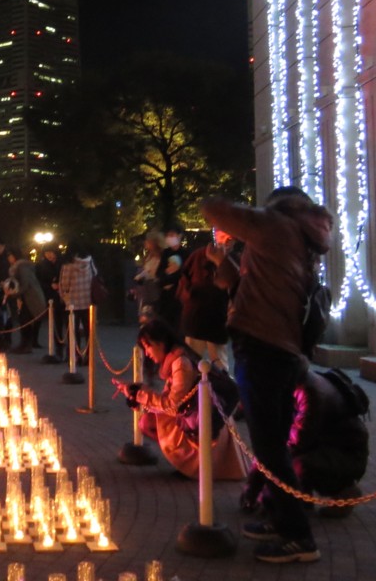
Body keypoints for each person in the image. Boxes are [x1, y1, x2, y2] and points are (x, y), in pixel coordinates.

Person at [200, 186, 333, 563]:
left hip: (262, 349)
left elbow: (214, 207)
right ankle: (280, 517)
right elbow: (239, 288)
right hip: (280, 351)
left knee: (270, 447)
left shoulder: (276, 226)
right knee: (271, 443)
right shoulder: (296, 240)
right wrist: (221, 262)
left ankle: (298, 537)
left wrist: (240, 217)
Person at [112, 319, 246, 480]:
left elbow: (172, 405)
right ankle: (188, 464)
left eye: (148, 346)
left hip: (203, 421)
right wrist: (136, 393)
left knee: (151, 422)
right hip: (196, 416)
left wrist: (140, 394)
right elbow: (170, 401)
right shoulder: (174, 359)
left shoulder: (180, 363)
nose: (146, 353)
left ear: (160, 343)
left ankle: (193, 464)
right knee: (148, 421)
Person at [241, 363, 369, 518]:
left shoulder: (310, 393)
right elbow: (274, 439)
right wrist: (252, 486)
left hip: (346, 454)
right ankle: (300, 500)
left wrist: (266, 496)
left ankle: (343, 490)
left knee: (298, 464)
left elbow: (293, 444)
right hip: (323, 446)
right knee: (287, 454)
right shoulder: (295, 383)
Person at [176, 229, 232, 372]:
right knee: (192, 365)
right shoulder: (199, 256)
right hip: (197, 317)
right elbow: (184, 280)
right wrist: (189, 295)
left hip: (217, 319)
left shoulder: (232, 260)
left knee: (220, 367)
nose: (226, 241)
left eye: (230, 238)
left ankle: (221, 391)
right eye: (222, 235)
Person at [4, 247, 46, 353]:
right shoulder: (19, 267)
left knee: (25, 321)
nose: (8, 258)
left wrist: (14, 293)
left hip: (31, 297)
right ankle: (25, 344)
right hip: (26, 297)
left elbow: (25, 284)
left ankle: (25, 345)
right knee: (24, 320)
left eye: (10, 256)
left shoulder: (22, 267)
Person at [58, 242, 95, 357]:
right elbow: (95, 274)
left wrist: (63, 295)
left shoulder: (68, 265)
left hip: (73, 302)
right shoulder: (90, 261)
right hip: (88, 300)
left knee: (74, 332)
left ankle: (75, 357)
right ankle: (89, 356)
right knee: (89, 331)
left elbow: (64, 284)